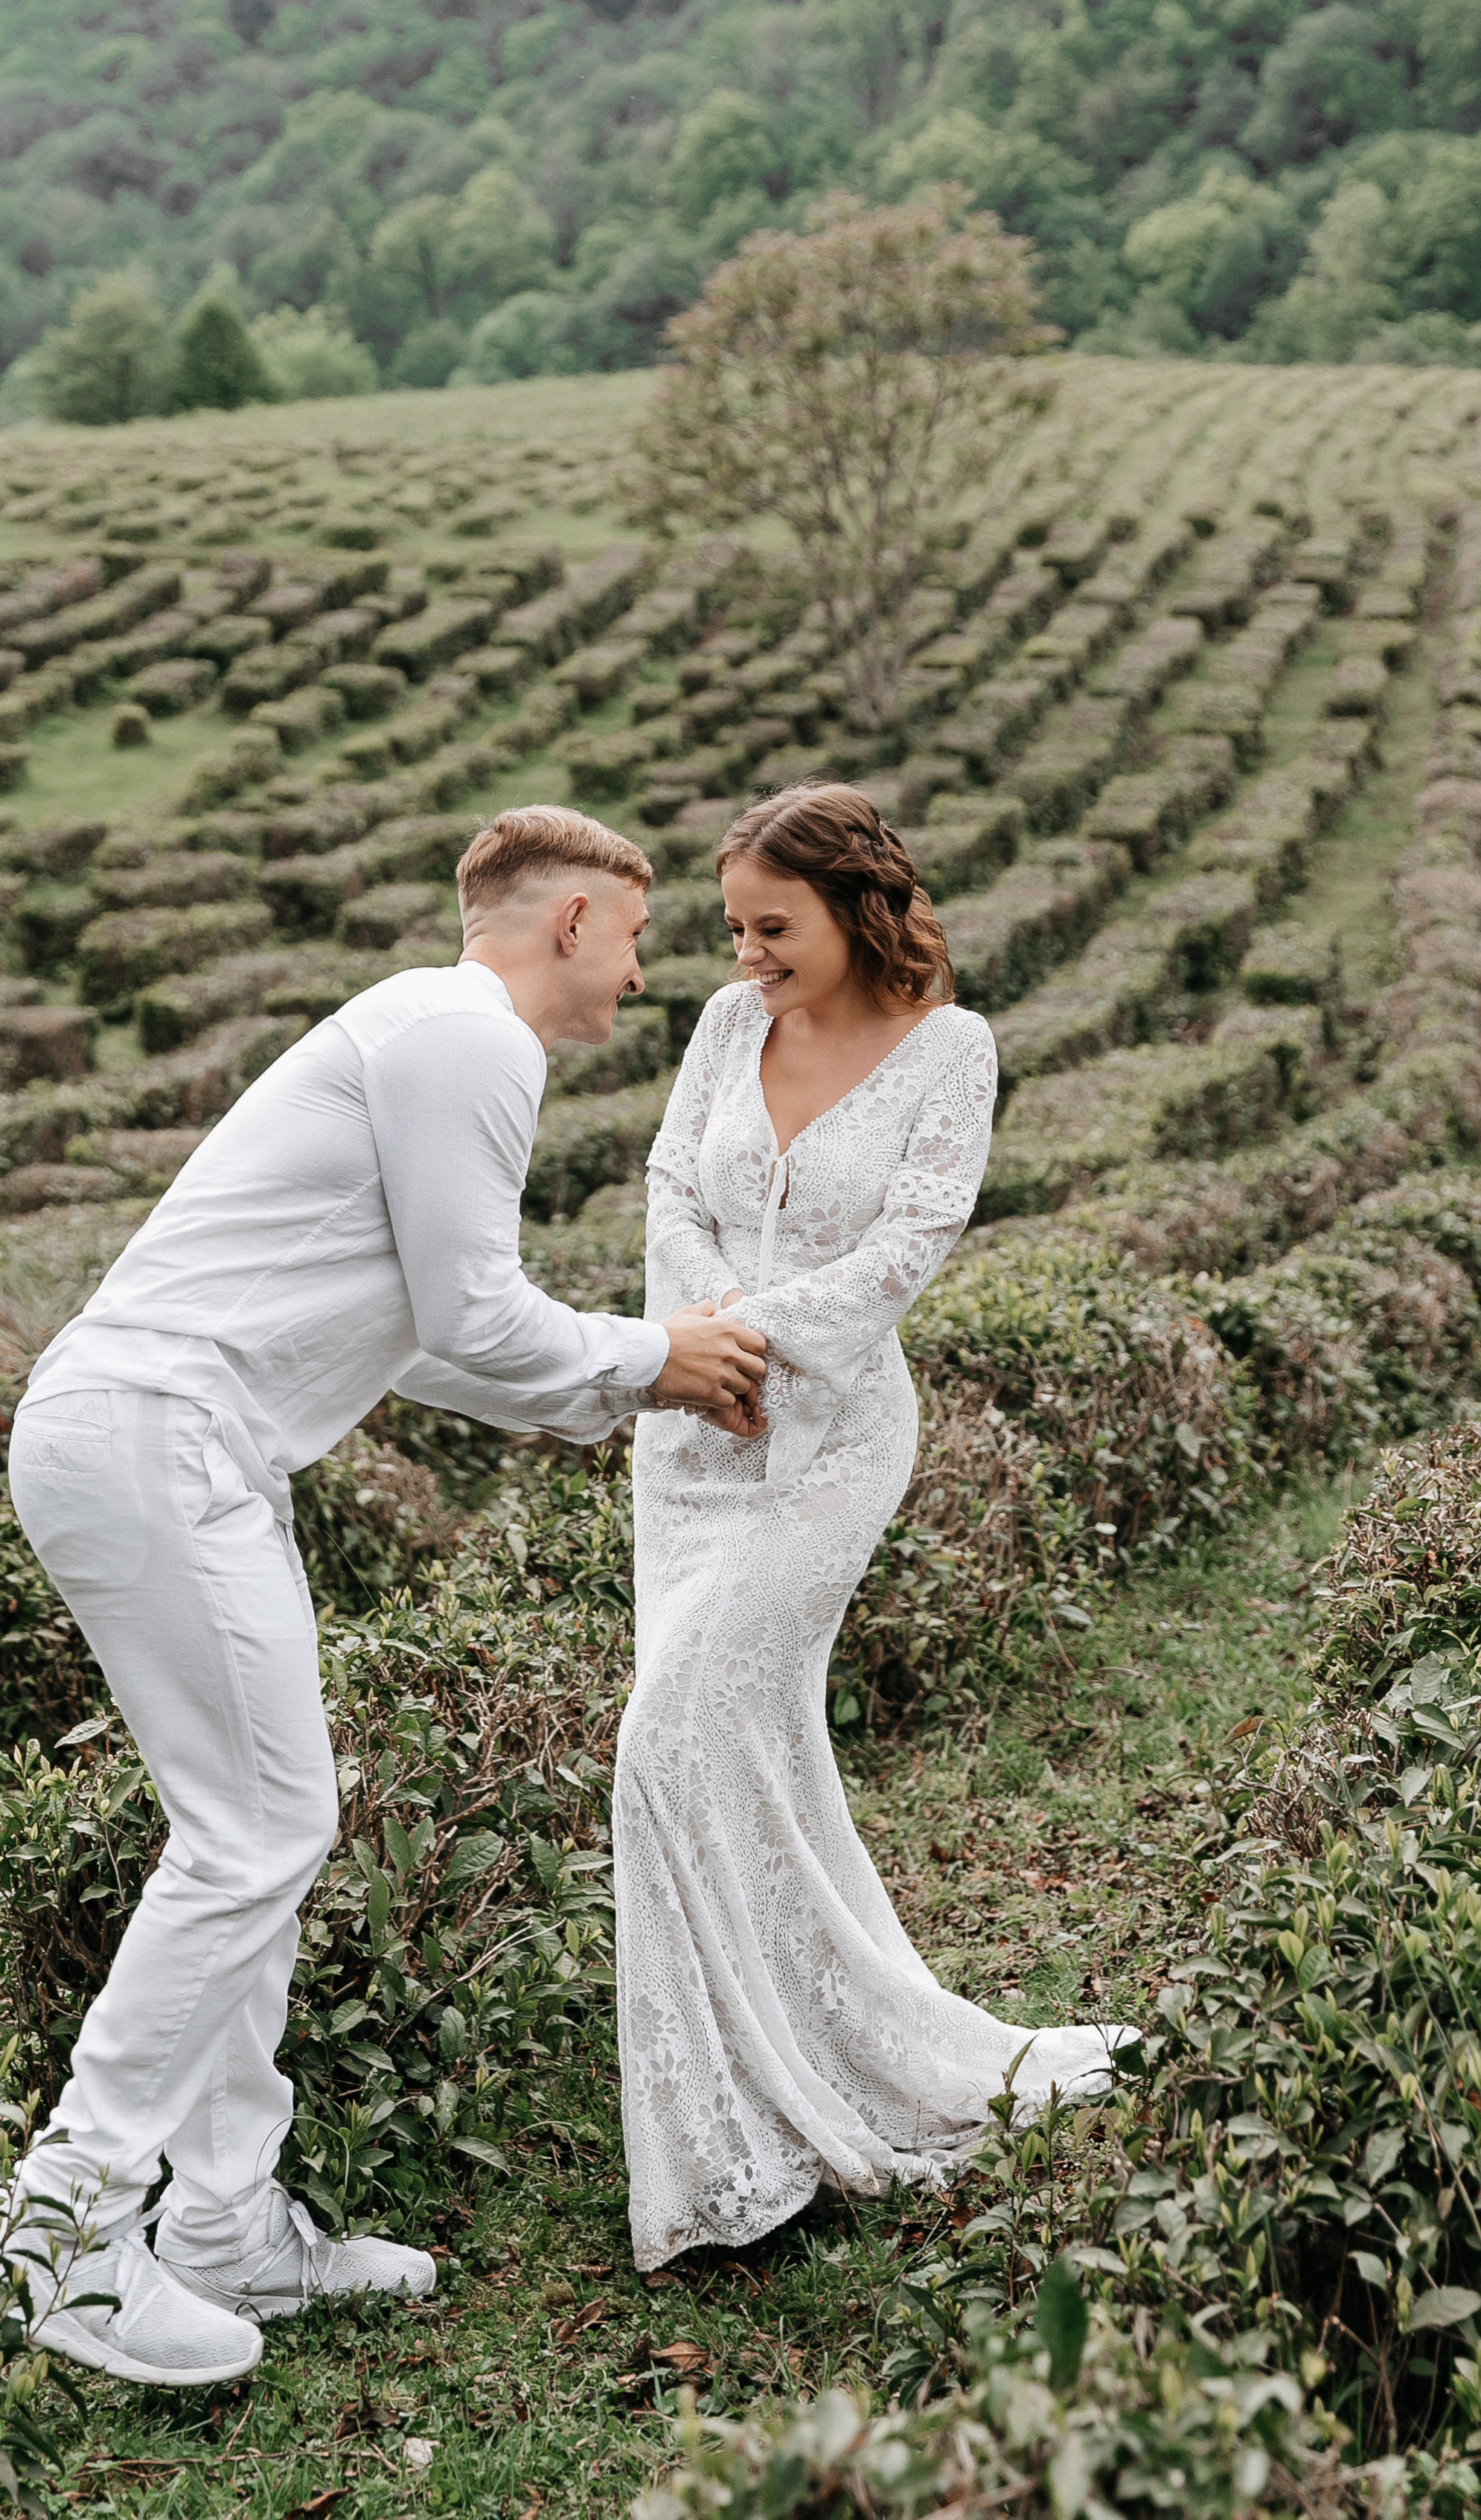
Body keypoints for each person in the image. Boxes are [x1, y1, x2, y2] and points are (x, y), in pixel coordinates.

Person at [0, 805, 767, 2388]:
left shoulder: (420, 1033)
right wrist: (650, 1353)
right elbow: (475, 1311)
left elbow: (428, 1340)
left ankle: (221, 2229)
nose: (641, 971)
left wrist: (630, 1384)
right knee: (257, 1836)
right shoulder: (468, 1039)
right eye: (634, 935)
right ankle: (56, 2234)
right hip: (160, 1436)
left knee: (251, 1834)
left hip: (166, 1442)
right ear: (569, 920)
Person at [614, 782, 1133, 2273]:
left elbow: (915, 1240)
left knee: (664, 1742)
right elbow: (668, 1184)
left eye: (772, 927)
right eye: (733, 928)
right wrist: (695, 1340)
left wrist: (752, 1340)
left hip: (831, 1444)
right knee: (738, 1747)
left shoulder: (949, 1048)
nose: (747, 955)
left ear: (855, 908)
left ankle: (755, 2129)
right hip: (689, 1440)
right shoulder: (727, 1025)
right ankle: (738, 2121)